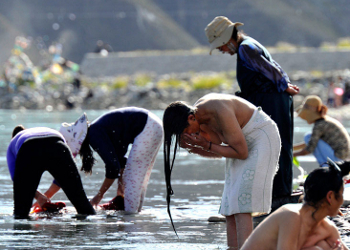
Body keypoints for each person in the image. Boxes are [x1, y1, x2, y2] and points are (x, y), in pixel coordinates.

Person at [163, 93, 281, 249]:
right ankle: (233, 248)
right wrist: (195, 148)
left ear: (191, 118)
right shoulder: (200, 119)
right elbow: (219, 151)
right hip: (239, 145)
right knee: (229, 204)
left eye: (185, 131)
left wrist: (204, 145)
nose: (188, 135)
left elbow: (241, 152)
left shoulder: (219, 109)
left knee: (241, 201)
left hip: (261, 137)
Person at [205, 16, 300, 209]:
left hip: (272, 100)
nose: (222, 51)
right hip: (272, 99)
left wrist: (284, 85)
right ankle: (278, 192)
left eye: (221, 46)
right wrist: (284, 85)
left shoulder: (245, 48)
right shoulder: (247, 45)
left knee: (276, 145)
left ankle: (280, 195)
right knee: (276, 144)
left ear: (227, 40)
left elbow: (270, 68)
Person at [241, 159, 349, 250]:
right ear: (330, 197)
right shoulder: (291, 216)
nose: (342, 200)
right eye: (341, 193)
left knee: (324, 245)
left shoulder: (327, 228)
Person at [6, 114, 96, 219]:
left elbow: (17, 179)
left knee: (20, 214)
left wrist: (38, 196)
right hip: (57, 144)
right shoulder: (44, 130)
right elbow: (63, 178)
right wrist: (45, 196)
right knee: (83, 205)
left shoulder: (13, 143)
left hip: (29, 149)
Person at [75, 107, 163, 214]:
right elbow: (119, 161)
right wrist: (120, 188)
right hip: (154, 124)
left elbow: (113, 167)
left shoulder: (94, 134)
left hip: (147, 126)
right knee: (137, 181)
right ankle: (134, 215)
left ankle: (130, 220)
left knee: (132, 178)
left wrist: (97, 197)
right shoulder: (98, 129)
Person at [293, 95, 350, 166]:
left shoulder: (320, 125)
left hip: (339, 159)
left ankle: (326, 166)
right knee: (309, 137)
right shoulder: (325, 121)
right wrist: (291, 148)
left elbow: (309, 149)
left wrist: (291, 155)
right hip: (343, 158)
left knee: (308, 137)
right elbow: (311, 142)